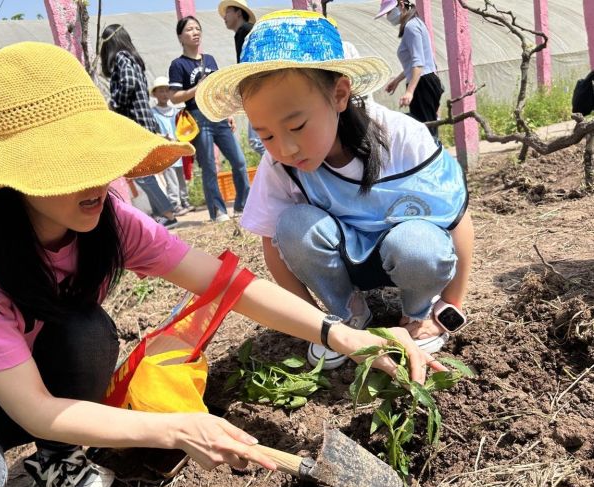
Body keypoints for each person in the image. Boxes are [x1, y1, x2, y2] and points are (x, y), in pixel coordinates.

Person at [0, 42, 438, 487]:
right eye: (66, 168)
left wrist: (339, 333)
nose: (97, 179)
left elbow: (229, 286)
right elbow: (31, 407)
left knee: (86, 330)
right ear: (10, 178)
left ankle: (56, 457)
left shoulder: (107, 219)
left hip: (43, 385)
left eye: (98, 157)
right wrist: (179, 428)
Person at [196, 10, 474, 370]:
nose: (285, 148)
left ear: (340, 95)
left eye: (296, 125)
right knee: (293, 225)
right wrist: (317, 327)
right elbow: (274, 246)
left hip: (407, 256)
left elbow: (456, 217)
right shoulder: (279, 167)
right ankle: (347, 313)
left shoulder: (402, 138)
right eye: (265, 135)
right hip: (344, 264)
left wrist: (453, 301)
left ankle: (417, 312)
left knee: (419, 244)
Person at [169, 15, 251, 222]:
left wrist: (228, 112)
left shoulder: (210, 59)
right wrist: (198, 88)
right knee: (209, 167)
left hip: (218, 115)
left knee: (239, 162)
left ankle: (242, 206)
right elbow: (174, 96)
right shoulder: (178, 65)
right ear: (180, 36)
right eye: (189, 29)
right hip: (197, 117)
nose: (195, 32)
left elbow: (219, 91)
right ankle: (219, 211)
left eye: (197, 28)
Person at [100, 24, 178, 229]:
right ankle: (164, 214)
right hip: (144, 121)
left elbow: (128, 84)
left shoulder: (121, 58)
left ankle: (168, 212)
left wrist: (112, 104)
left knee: (141, 172)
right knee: (145, 172)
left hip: (134, 123)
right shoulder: (133, 59)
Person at [376, 0, 444, 139]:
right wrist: (397, 80)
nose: (388, 16)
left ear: (401, 5)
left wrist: (409, 91)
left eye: (389, 11)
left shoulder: (411, 27)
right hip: (425, 80)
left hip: (423, 84)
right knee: (426, 129)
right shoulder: (415, 24)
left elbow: (419, 63)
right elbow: (416, 62)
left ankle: (435, 159)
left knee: (426, 132)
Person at [219, 0, 265, 156]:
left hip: (259, 89)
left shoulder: (246, 31)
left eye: (227, 12)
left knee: (257, 140)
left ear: (238, 13)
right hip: (258, 89)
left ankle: (283, 169)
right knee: (259, 139)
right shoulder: (243, 32)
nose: (224, 17)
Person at [150, 76, 194, 214]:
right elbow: (152, 132)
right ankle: (175, 204)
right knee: (171, 179)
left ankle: (185, 201)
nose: (164, 94)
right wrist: (164, 137)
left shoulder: (176, 112)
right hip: (166, 151)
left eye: (166, 90)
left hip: (179, 150)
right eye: (160, 91)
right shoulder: (152, 113)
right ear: (155, 94)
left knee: (181, 176)